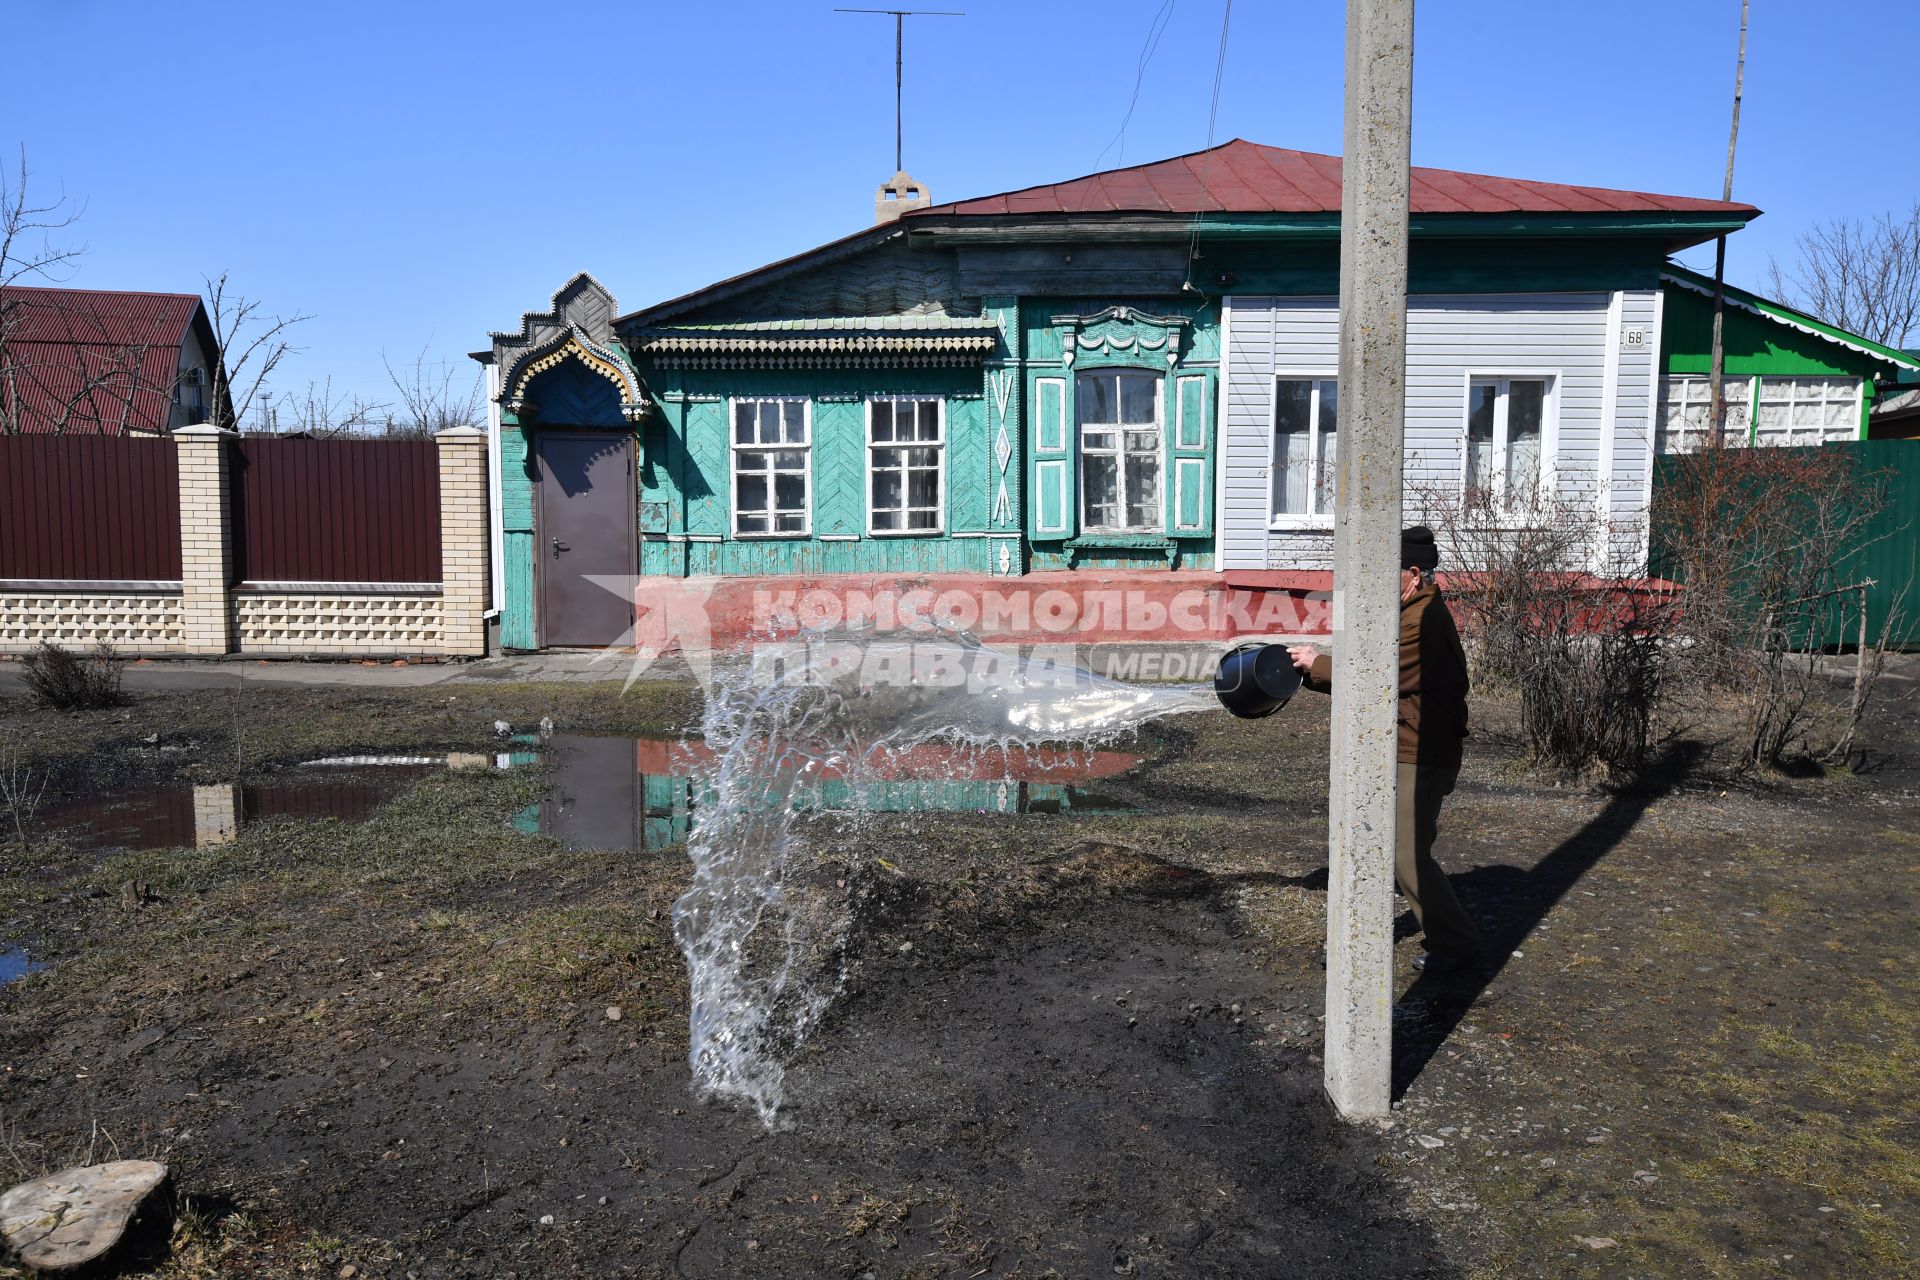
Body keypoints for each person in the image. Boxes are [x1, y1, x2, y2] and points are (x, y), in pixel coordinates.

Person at [1287, 526, 1484, 974]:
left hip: (1421, 751)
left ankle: (1457, 946)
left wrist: (1315, 664)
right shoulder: (1406, 609)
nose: (1374, 584)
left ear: (1414, 573)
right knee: (1369, 844)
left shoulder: (1423, 618)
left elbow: (1377, 673)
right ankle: (1356, 941)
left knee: (1405, 854)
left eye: (1383, 574)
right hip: (1399, 745)